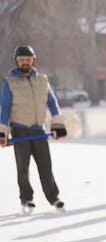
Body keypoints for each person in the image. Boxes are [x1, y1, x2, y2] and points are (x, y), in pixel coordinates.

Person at [0, 44, 67, 213]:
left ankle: (54, 197)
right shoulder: (10, 82)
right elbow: (5, 108)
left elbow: (52, 102)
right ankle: (26, 199)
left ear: (33, 60)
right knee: (23, 167)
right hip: (19, 129)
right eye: (21, 59)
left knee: (46, 165)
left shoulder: (42, 80)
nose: (24, 62)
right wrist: (2, 131)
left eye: (27, 59)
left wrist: (57, 124)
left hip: (38, 129)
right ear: (16, 61)